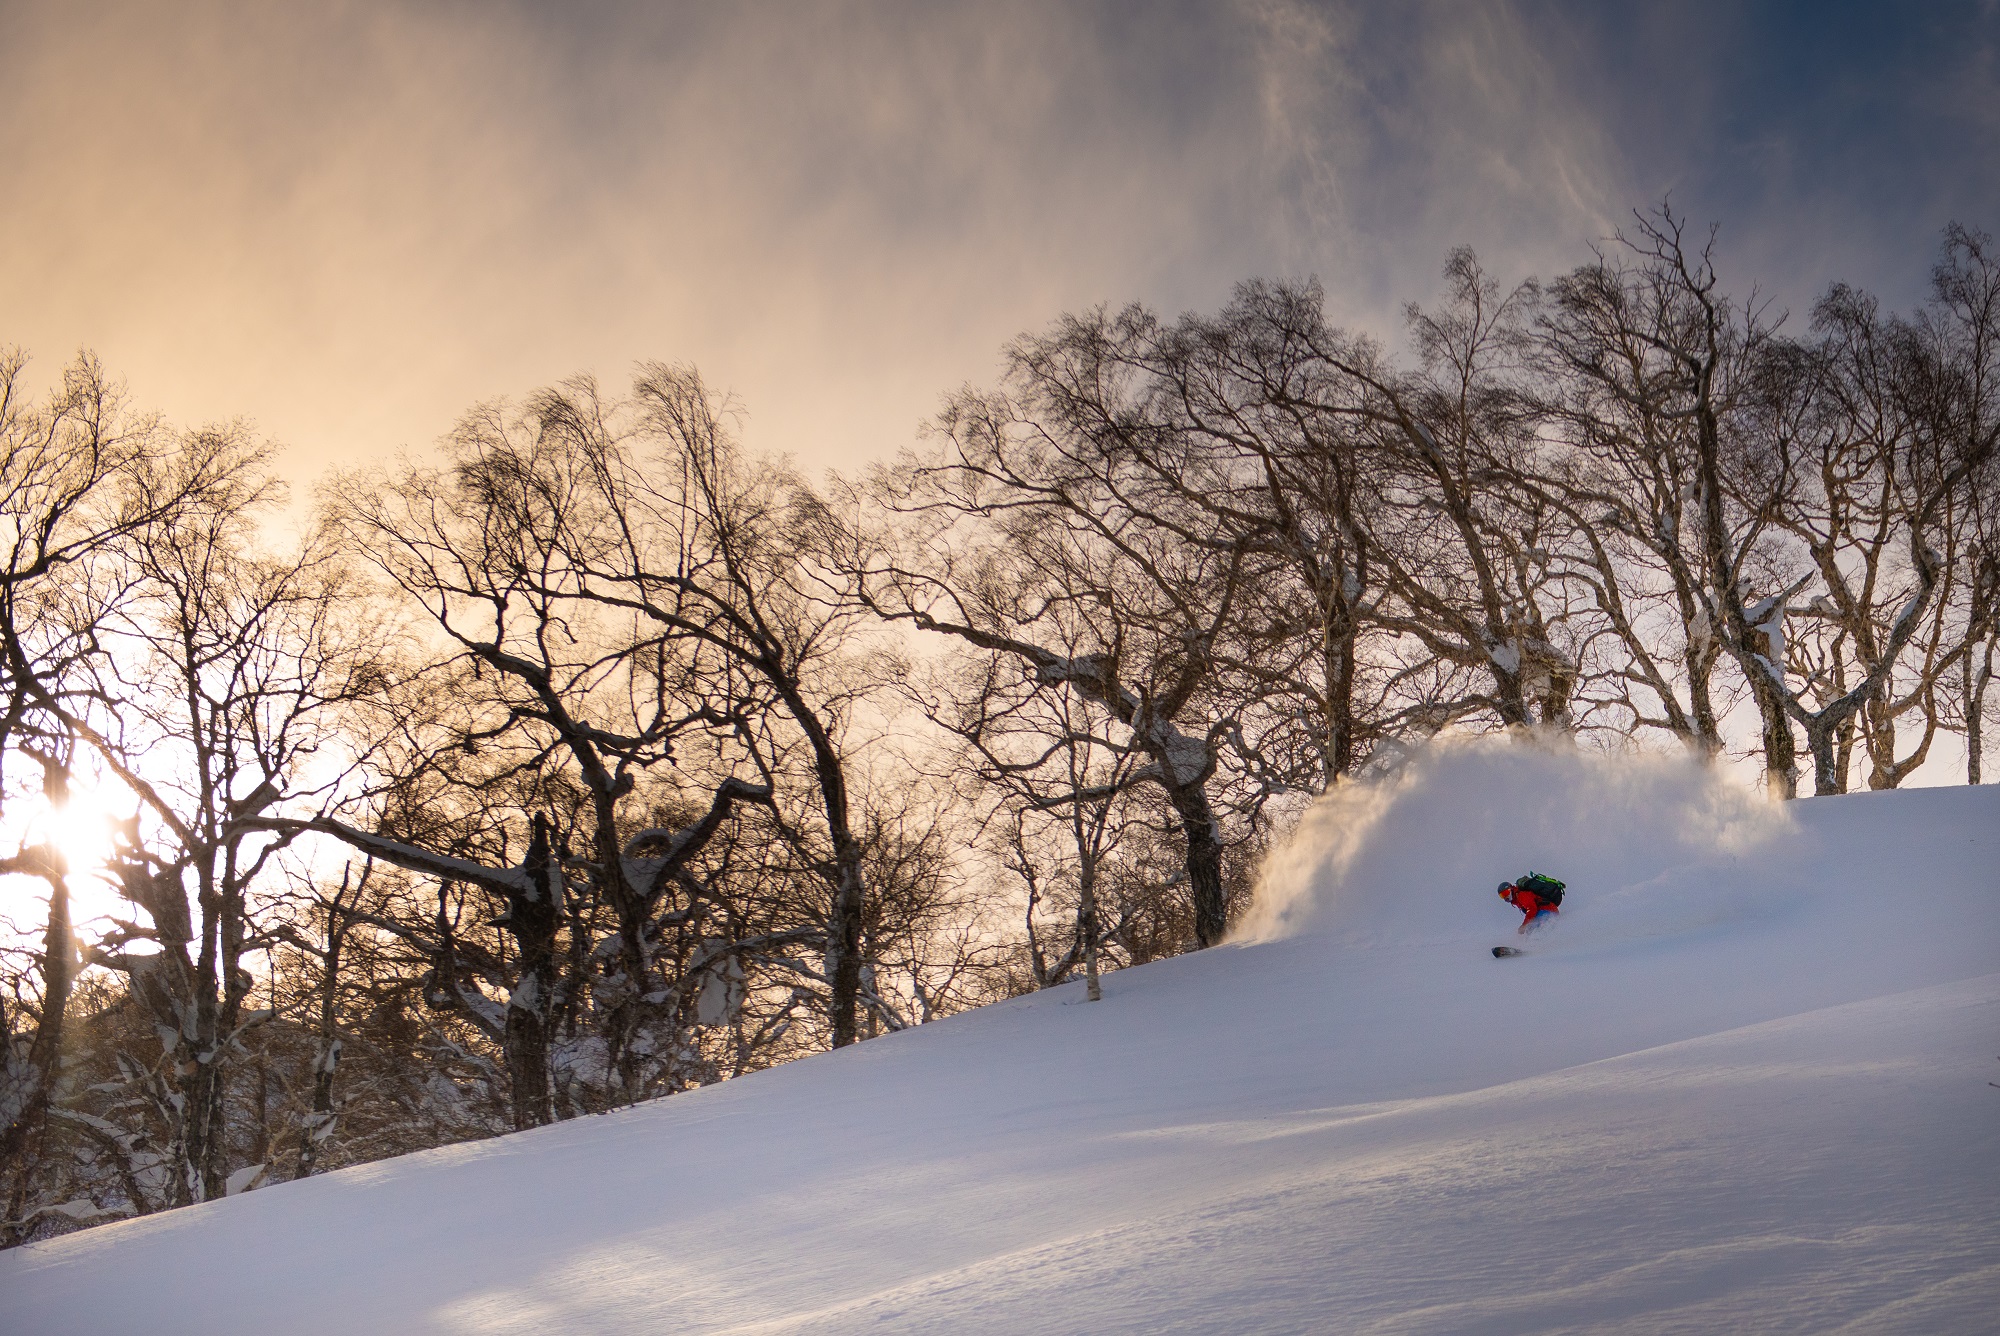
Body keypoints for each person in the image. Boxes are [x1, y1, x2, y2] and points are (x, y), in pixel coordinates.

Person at [1497, 873, 1563, 934]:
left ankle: (1534, 942)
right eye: (1502, 895)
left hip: (1547, 910)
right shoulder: (1517, 899)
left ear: (1511, 889)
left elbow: (1532, 908)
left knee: (1533, 930)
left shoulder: (1521, 895)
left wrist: (1524, 925)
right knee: (1531, 930)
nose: (1506, 897)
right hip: (1549, 910)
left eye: (1506, 893)